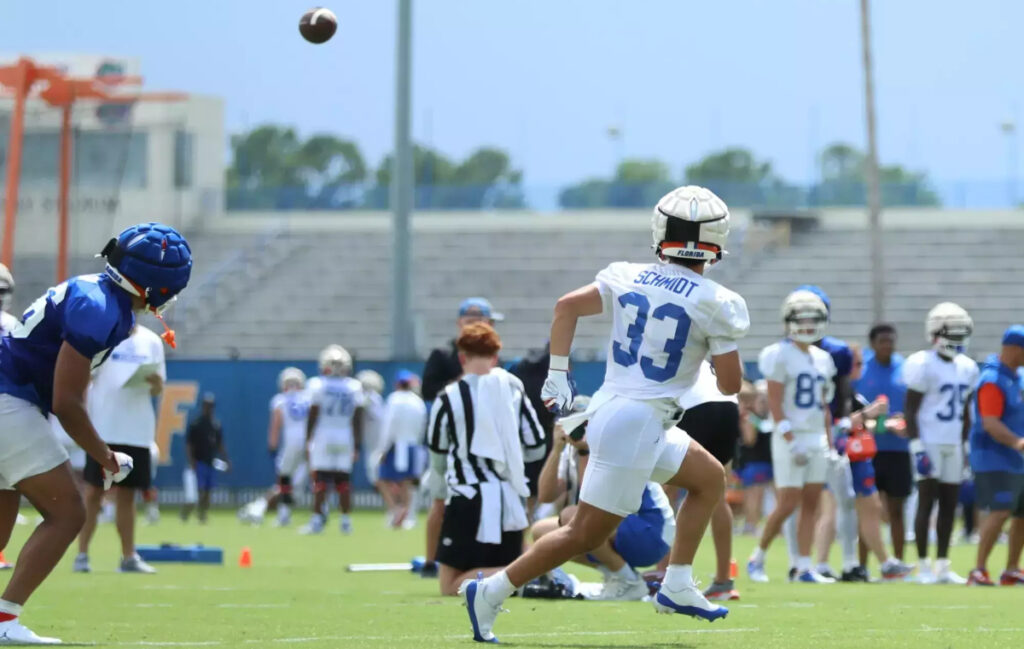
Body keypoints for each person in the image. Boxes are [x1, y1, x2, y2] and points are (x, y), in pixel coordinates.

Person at [460, 185, 748, 642]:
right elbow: (731, 386)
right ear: (716, 242)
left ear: (661, 233)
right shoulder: (717, 301)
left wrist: (558, 372)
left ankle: (677, 583)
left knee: (709, 479)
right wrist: (712, 352)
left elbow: (566, 307)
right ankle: (491, 591)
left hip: (623, 412)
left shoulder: (628, 275)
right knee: (584, 535)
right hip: (638, 422)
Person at [0, 222, 191, 643]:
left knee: (2, 515)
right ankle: (5, 620)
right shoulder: (102, 309)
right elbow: (66, 401)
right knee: (67, 513)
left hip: (10, 398)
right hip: (8, 401)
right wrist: (105, 456)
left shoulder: (95, 291)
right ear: (156, 287)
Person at [427, 322, 545, 596]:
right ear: (495, 356)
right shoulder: (513, 390)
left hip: (467, 499)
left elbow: (438, 455)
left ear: (461, 357)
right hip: (509, 500)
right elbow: (537, 445)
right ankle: (529, 573)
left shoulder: (449, 397)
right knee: (505, 575)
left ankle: (536, 574)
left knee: (450, 586)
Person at [747, 289, 836, 584]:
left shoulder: (823, 358)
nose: (809, 325)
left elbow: (824, 406)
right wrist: (788, 437)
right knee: (788, 502)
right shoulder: (778, 354)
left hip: (815, 437)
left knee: (812, 503)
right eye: (803, 319)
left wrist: (830, 442)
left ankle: (803, 566)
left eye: (814, 319)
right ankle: (757, 557)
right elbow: (774, 402)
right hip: (790, 435)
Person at [74, 324, 166, 574]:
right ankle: (81, 555)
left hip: (137, 431)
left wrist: (156, 383)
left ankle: (128, 557)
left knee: (127, 495)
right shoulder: (103, 335)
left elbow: (158, 388)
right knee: (93, 493)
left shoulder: (151, 341)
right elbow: (85, 375)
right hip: (104, 428)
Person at [420, 297, 502, 578]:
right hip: (451, 437)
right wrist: (469, 378)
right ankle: (431, 561)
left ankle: (484, 557)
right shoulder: (444, 355)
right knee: (441, 500)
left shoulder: (494, 356)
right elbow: (429, 391)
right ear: (459, 323)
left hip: (486, 438)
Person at [824, 344, 914, 582]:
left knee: (867, 508)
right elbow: (837, 425)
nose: (860, 368)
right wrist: (869, 413)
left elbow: (860, 425)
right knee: (843, 510)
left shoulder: (851, 391)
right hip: (843, 456)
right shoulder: (835, 389)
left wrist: (888, 425)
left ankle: (877, 562)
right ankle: (847, 563)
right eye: (857, 363)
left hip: (857, 456)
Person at [904, 303, 978, 584]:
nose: (957, 340)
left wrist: (965, 446)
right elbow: (910, 409)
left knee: (950, 504)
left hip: (953, 444)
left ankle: (944, 565)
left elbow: (966, 412)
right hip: (930, 441)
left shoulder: (967, 367)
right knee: (926, 501)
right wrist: (917, 446)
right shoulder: (923, 363)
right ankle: (923, 565)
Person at [678, 360, 742, 601]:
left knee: (668, 488)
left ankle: (663, 573)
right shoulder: (713, 335)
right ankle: (724, 580)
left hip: (694, 406)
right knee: (717, 494)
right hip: (728, 406)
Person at [966, 326, 1024, 586]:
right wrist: (1018, 442)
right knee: (1000, 511)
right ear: (1012, 349)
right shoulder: (992, 380)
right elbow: (990, 422)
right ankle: (978, 569)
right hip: (993, 456)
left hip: (1015, 458)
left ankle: (1012, 569)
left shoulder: (1017, 378)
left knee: (1021, 514)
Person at [855, 323, 911, 563]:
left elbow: (913, 405)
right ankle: (863, 565)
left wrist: (906, 422)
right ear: (873, 344)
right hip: (868, 450)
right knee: (868, 510)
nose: (887, 345)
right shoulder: (863, 370)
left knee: (897, 509)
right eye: (882, 341)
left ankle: (897, 563)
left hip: (898, 450)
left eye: (891, 340)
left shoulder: (905, 368)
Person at [302, 345, 364, 535]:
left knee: (320, 479)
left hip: (324, 433)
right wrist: (357, 443)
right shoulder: (354, 386)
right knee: (343, 480)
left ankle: (317, 520)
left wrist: (308, 438)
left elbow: (313, 413)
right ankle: (345, 521)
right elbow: (357, 417)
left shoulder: (317, 384)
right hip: (344, 434)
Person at [240, 368, 311, 527]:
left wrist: (272, 447)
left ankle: (280, 514)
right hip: (309, 443)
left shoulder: (280, 400)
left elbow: (275, 426)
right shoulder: (308, 398)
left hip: (291, 444)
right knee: (310, 481)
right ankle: (320, 513)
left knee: (284, 480)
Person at [375, 370, 427, 529]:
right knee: (407, 482)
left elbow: (388, 426)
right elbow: (422, 427)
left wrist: (383, 449)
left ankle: (395, 510)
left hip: (396, 445)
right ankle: (408, 514)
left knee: (382, 479)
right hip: (413, 446)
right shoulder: (417, 401)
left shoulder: (394, 399)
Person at [181, 394, 230, 524]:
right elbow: (189, 444)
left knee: (208, 492)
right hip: (199, 462)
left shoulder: (215, 425)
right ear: (203, 406)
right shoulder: (196, 424)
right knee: (200, 491)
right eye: (207, 405)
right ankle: (186, 514)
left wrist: (227, 460)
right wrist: (191, 461)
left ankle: (202, 514)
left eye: (211, 406)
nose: (209, 408)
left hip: (211, 462)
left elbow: (220, 444)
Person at [737, 381, 773, 536]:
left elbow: (749, 439)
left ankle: (752, 525)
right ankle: (751, 525)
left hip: (759, 462)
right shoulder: (750, 418)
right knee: (754, 495)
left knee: (754, 495)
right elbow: (749, 439)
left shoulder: (762, 417)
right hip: (755, 461)